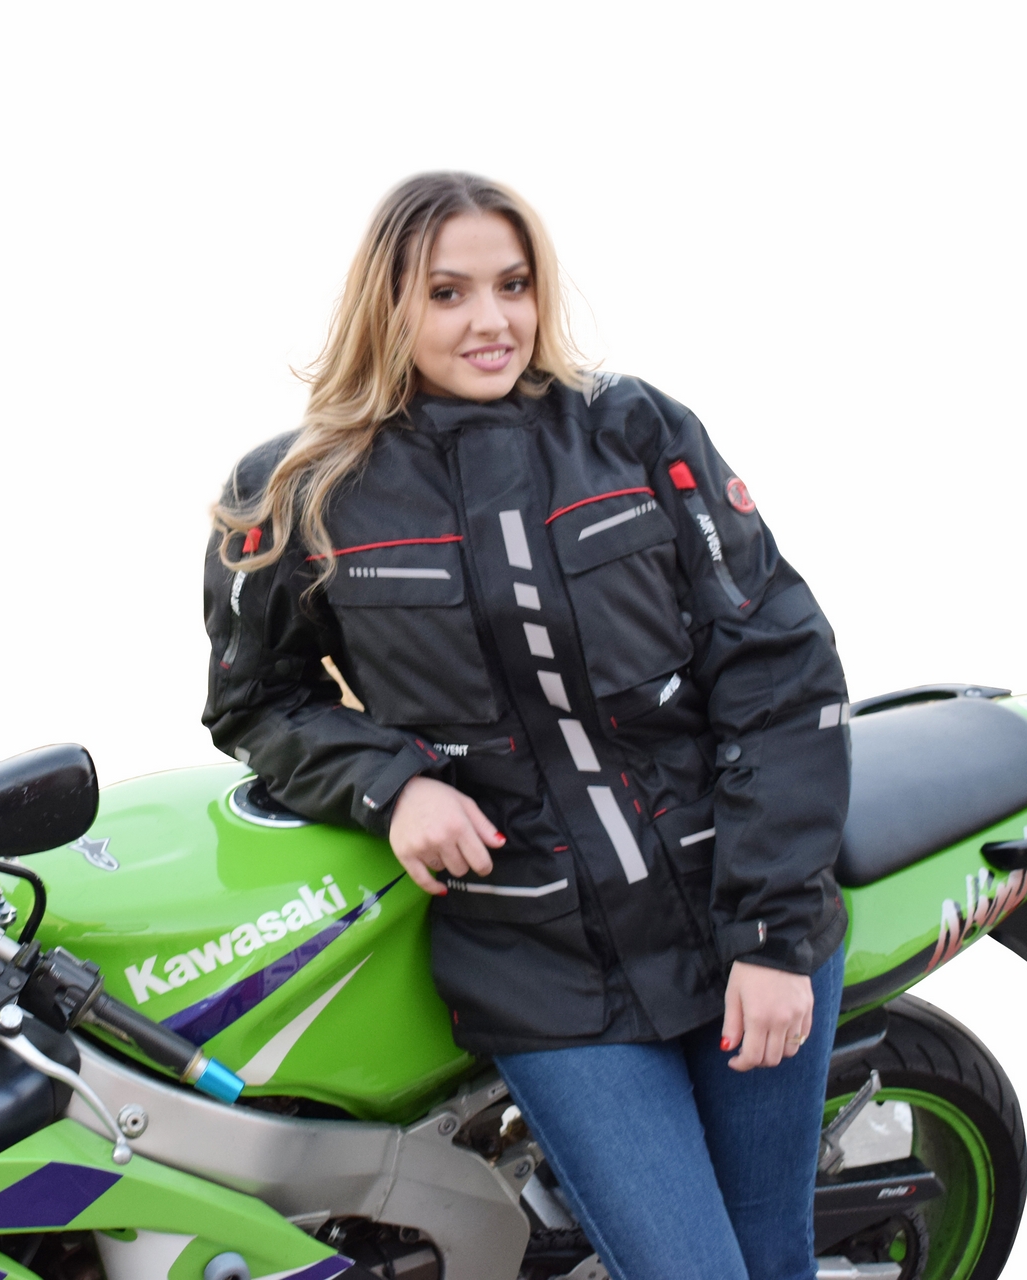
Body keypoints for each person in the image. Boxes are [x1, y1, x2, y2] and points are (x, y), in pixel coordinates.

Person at [202, 172, 850, 1280]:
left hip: (737, 909)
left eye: (513, 284)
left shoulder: (635, 428)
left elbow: (778, 665)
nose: (492, 320)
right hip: (540, 970)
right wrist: (388, 784)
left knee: (770, 1258)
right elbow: (255, 701)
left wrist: (773, 939)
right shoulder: (297, 489)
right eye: (447, 292)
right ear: (386, 304)